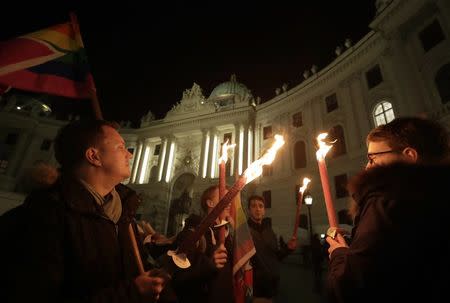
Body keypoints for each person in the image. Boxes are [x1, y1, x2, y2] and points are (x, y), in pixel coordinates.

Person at [2, 120, 167, 303]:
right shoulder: (41, 218)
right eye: (121, 147)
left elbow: (139, 271)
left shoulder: (122, 214)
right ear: (93, 156)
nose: (129, 154)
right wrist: (131, 293)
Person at [326, 117, 450, 303]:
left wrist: (339, 254)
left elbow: (351, 287)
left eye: (372, 158)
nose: (367, 167)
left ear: (409, 155)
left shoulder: (385, 200)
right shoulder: (437, 197)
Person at [247, 195, 297, 303]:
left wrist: (288, 248)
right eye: (253, 206)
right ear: (249, 210)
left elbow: (275, 256)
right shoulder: (245, 232)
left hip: (273, 285)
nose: (257, 209)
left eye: (261, 206)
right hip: (256, 287)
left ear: (264, 210)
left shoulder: (269, 230)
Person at [200, 185, 235, 303]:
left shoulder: (230, 233)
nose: (229, 202)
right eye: (224, 197)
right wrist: (209, 264)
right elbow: (180, 277)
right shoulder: (197, 233)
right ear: (210, 203)